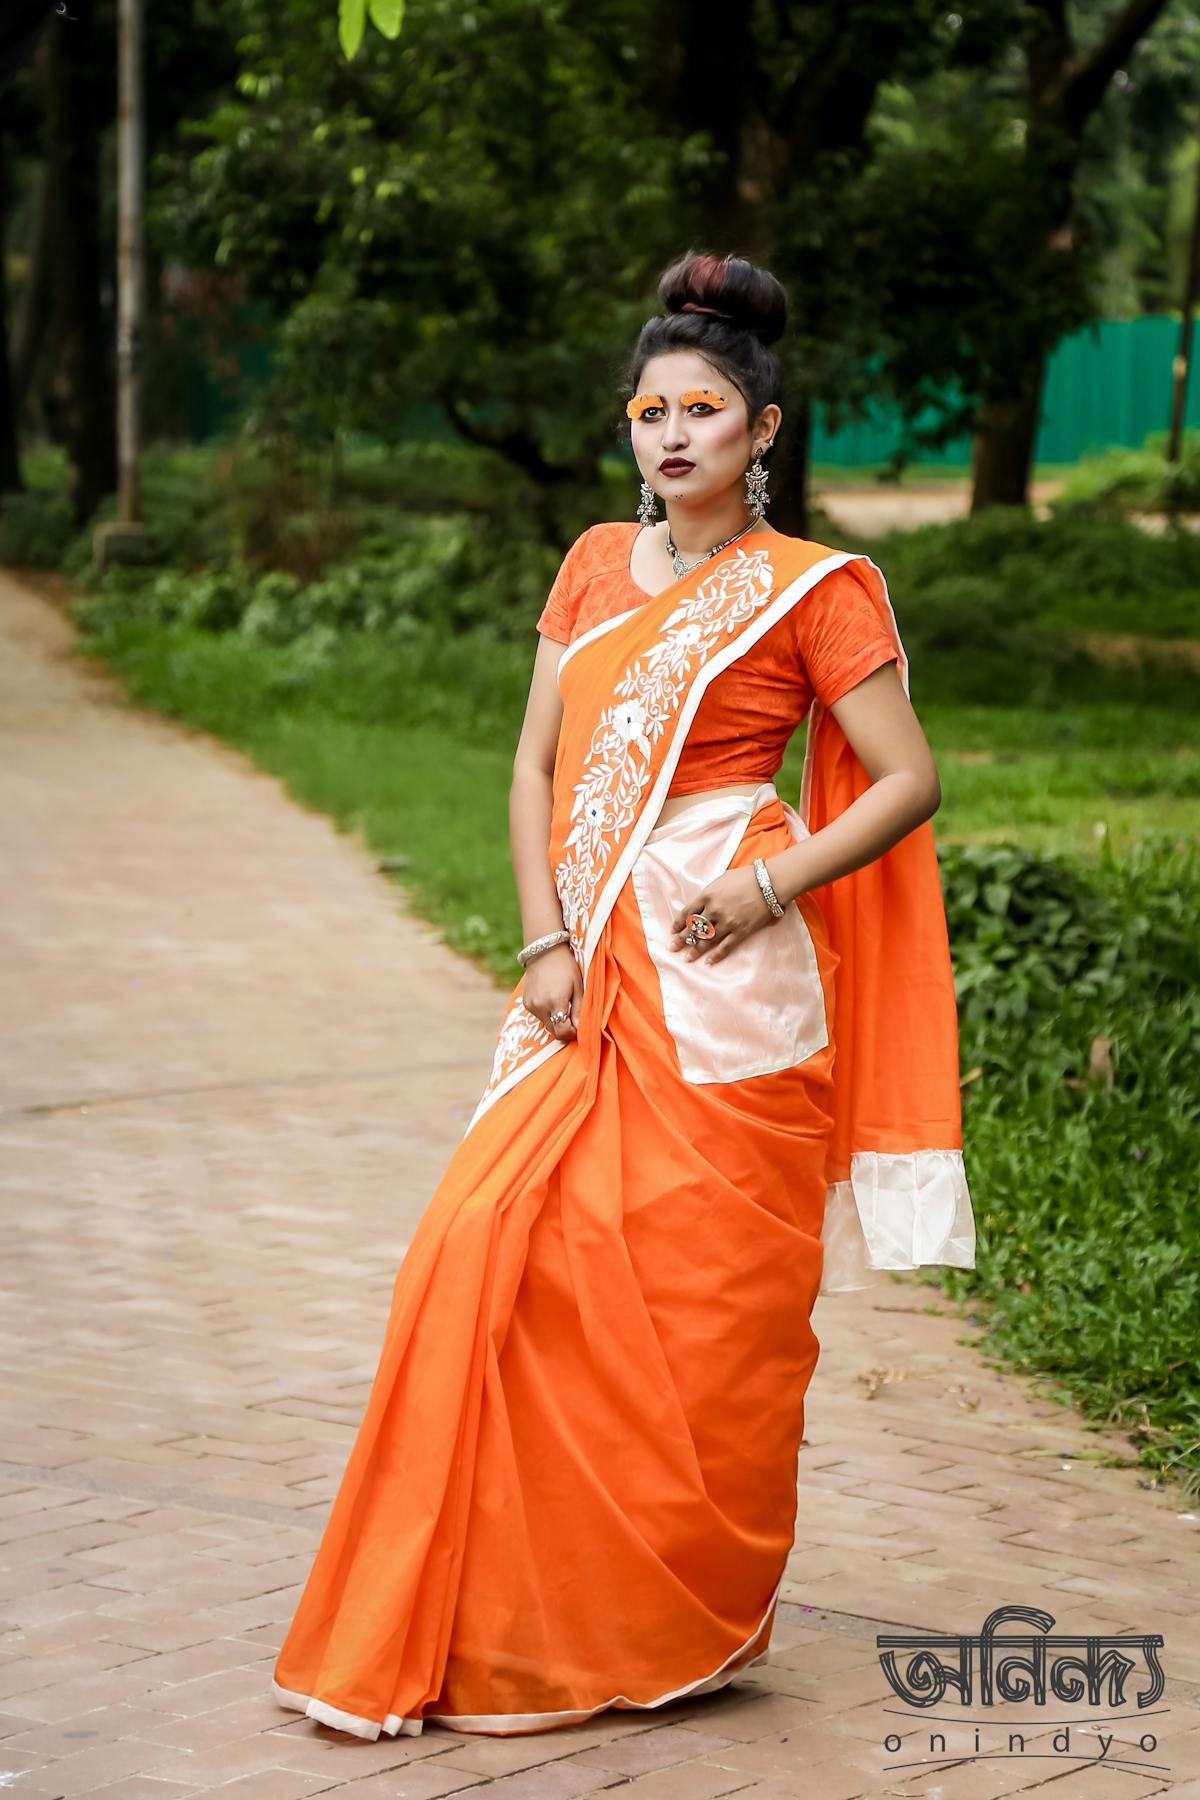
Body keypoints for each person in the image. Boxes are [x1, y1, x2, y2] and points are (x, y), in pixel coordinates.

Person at [271, 248, 975, 1743]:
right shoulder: (594, 562)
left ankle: (673, 1617)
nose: (671, 435)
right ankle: (500, 1614)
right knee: (488, 1249)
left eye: (702, 410)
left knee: (699, 1305)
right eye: (650, 411)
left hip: (724, 972)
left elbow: (907, 779)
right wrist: (543, 941)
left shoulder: (817, 591)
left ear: (761, 429)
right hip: (584, 962)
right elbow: (533, 763)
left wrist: (772, 886)